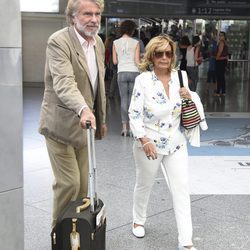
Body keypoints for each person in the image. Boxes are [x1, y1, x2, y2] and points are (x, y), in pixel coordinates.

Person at [128, 35, 208, 250]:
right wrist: (144, 140)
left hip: (176, 143)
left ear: (173, 55)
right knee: (144, 185)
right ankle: (138, 220)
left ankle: (186, 242)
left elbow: (193, 105)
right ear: (151, 56)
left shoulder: (181, 76)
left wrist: (188, 95)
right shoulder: (143, 80)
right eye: (159, 53)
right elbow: (134, 114)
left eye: (168, 53)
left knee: (181, 189)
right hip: (149, 144)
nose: (164, 57)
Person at [38, 0, 107, 228]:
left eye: (97, 14)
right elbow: (64, 82)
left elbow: (98, 85)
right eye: (87, 14)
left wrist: (101, 117)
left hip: (85, 126)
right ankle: (59, 233)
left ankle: (75, 232)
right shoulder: (58, 41)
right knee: (69, 182)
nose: (94, 19)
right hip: (60, 124)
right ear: (72, 17)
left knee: (83, 186)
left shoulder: (97, 42)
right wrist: (84, 109)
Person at [112, 20, 140, 136]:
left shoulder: (115, 43)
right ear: (132, 30)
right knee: (134, 101)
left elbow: (114, 61)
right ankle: (133, 129)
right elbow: (137, 62)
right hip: (134, 72)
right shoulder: (136, 43)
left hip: (121, 72)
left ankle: (124, 128)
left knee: (124, 100)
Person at [214, 31, 228, 96]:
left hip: (220, 61)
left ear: (224, 36)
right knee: (221, 76)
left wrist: (216, 58)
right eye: (219, 35)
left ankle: (219, 91)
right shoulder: (225, 43)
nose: (220, 36)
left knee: (219, 76)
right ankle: (223, 91)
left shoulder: (221, 43)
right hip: (223, 61)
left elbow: (220, 51)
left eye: (221, 35)